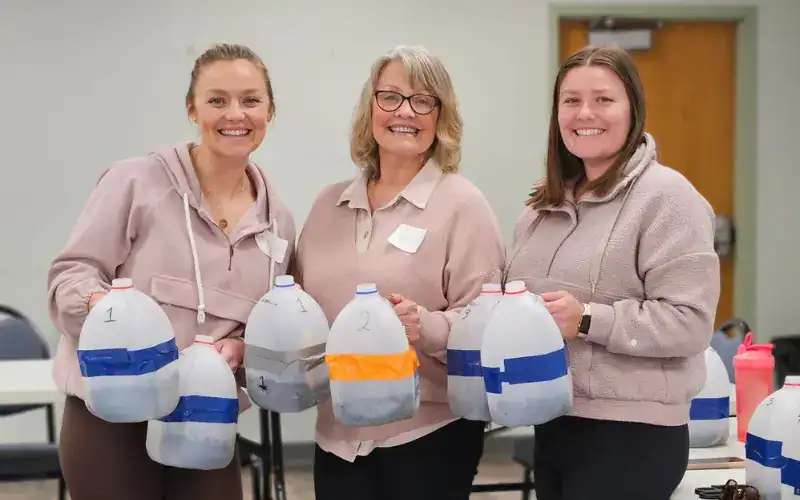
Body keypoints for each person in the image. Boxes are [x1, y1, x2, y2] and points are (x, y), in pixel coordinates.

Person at [46, 43, 295, 500]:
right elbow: (71, 273)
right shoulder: (134, 182)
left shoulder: (278, 220)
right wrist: (102, 310)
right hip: (112, 414)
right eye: (217, 100)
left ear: (270, 111)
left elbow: (263, 319)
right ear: (192, 109)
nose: (234, 113)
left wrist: (241, 346)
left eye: (251, 100)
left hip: (206, 416)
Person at [505, 44, 721, 500]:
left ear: (632, 109)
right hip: (556, 421)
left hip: (632, 433)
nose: (585, 113)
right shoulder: (544, 205)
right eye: (571, 100)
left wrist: (586, 318)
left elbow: (690, 323)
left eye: (603, 99)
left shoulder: (667, 197)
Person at [294, 45, 506, 500]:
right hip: (336, 436)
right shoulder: (328, 204)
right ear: (369, 107)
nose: (404, 111)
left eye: (422, 99)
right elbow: (297, 301)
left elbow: (490, 323)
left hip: (426, 437)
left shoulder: (463, 204)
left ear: (440, 115)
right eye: (389, 96)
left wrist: (426, 325)